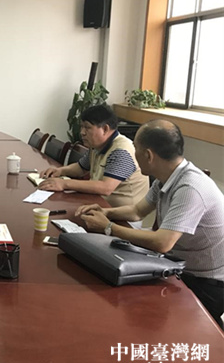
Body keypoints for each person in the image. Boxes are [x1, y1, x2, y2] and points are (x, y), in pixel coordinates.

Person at [76, 119, 224, 328]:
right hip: (177, 266)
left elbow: (163, 243)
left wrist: (108, 227)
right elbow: (137, 211)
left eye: (135, 148)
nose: (133, 154)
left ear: (148, 155)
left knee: (141, 317)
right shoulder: (168, 176)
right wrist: (105, 212)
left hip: (205, 282)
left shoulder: (190, 188)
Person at [38, 104, 149, 210]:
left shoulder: (121, 151)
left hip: (122, 215)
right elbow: (81, 168)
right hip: (99, 205)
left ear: (105, 129)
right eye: (82, 127)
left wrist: (64, 184)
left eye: (87, 127)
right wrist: (60, 171)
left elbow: (106, 187)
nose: (82, 132)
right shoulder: (97, 145)